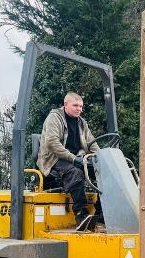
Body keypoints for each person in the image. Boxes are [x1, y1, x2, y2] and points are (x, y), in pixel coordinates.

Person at [37, 92, 100, 227]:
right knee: (75, 173)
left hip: (75, 158)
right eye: (75, 105)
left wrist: (102, 159)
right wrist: (73, 158)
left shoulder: (82, 123)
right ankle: (81, 214)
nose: (79, 109)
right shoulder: (54, 118)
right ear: (66, 104)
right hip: (54, 158)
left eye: (81, 106)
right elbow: (52, 143)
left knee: (103, 171)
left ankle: (101, 212)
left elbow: (92, 144)